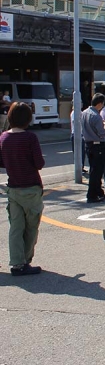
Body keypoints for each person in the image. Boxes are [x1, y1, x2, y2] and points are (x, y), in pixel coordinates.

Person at [0, 102, 45, 276]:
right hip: (31, 188)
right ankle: (25, 261)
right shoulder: (30, 138)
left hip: (13, 188)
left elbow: (2, 162)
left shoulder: (3, 137)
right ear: (28, 118)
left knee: (16, 228)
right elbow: (39, 163)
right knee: (31, 228)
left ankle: (16, 263)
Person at [81, 93, 105, 203]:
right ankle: (92, 195)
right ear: (100, 104)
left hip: (88, 143)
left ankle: (98, 192)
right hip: (98, 145)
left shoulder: (84, 113)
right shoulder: (96, 116)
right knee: (97, 171)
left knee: (93, 169)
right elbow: (102, 133)